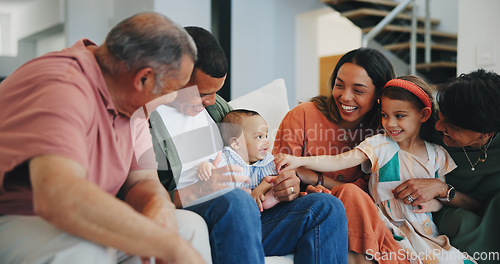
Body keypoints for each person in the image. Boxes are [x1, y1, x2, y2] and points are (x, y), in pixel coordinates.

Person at [0, 12, 211, 264]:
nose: (173, 99)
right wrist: (171, 247)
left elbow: (141, 180)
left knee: (188, 228)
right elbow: (60, 197)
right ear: (143, 78)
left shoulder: (131, 104)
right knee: (87, 250)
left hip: (68, 213)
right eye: (174, 89)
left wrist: (159, 206)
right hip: (16, 215)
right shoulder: (63, 86)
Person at [149, 26, 349, 263]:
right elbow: (144, 196)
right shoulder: (147, 122)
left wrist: (286, 183)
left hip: (247, 212)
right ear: (174, 76)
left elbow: (253, 158)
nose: (211, 101)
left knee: (327, 207)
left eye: (216, 92)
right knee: (237, 201)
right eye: (202, 93)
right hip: (204, 214)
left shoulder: (217, 109)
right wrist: (201, 189)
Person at [276, 75, 476, 263]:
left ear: (423, 115)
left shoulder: (437, 154)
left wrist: (434, 205)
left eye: (400, 116)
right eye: (384, 115)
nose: (390, 124)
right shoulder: (380, 145)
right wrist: (299, 161)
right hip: (385, 226)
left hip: (424, 232)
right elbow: (338, 161)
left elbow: (440, 195)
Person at [273, 48, 409, 263]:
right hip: (307, 208)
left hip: (360, 215)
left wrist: (317, 178)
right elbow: (282, 171)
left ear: (379, 96)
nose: (345, 96)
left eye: (358, 90)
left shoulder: (384, 133)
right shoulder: (303, 116)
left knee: (351, 193)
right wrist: (295, 185)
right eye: (339, 85)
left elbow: (374, 193)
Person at [392, 69, 500, 264]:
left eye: (453, 127)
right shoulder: (427, 125)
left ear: (486, 133)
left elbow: (485, 208)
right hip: (433, 211)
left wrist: (442, 189)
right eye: (440, 115)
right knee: (458, 221)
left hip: (486, 222)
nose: (439, 127)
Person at [197, 109, 280, 211]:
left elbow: (270, 180)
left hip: (255, 206)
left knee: (274, 189)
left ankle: (269, 202)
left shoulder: (266, 160)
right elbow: (213, 166)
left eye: (266, 136)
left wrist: (259, 190)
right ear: (236, 144)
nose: (266, 141)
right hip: (231, 204)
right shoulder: (226, 157)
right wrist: (205, 166)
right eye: (259, 137)